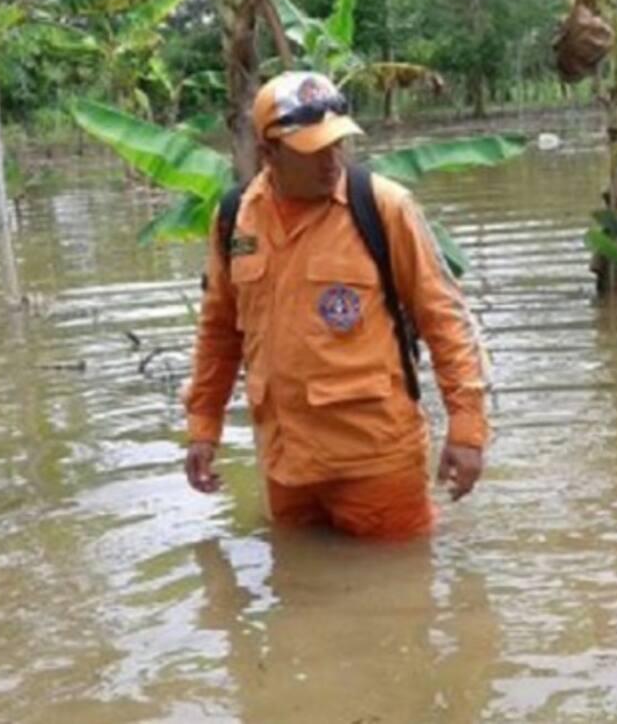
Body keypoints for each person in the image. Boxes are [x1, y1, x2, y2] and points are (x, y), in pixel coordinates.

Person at [183, 71, 490, 540]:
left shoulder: (384, 207)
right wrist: (204, 427)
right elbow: (219, 331)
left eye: (339, 144)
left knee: (400, 593)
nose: (333, 160)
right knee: (298, 593)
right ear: (270, 154)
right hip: (286, 466)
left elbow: (445, 318)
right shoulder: (235, 220)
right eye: (314, 150)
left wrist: (467, 430)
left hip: (375, 460)